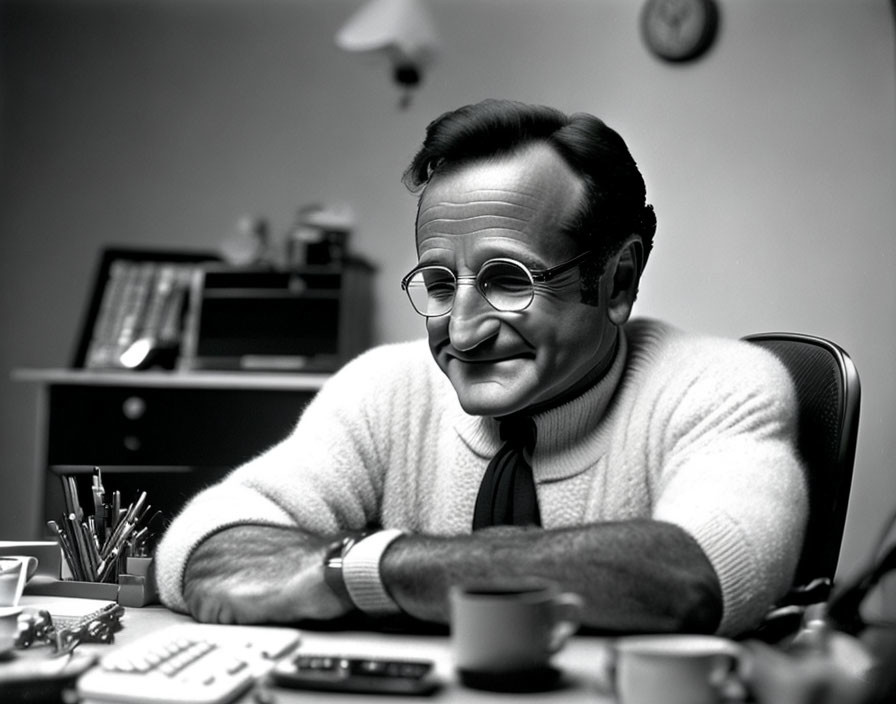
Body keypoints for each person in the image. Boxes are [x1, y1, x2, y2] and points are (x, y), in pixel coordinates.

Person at [155, 99, 807, 637]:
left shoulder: (724, 385)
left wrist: (357, 566)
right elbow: (201, 548)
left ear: (618, 280)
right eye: (439, 283)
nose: (461, 330)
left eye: (507, 279)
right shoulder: (383, 389)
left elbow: (691, 576)